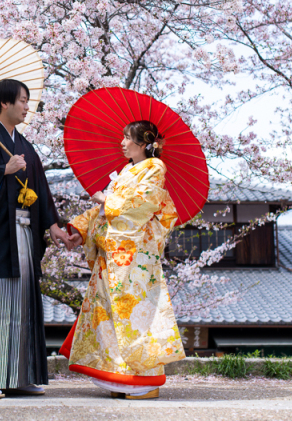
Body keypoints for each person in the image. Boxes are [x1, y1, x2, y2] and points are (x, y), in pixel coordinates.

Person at [0, 78, 73, 399]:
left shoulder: (25, 146)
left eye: (27, 100)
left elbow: (42, 191)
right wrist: (1, 171)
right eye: (22, 100)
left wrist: (53, 226)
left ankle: (21, 375)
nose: (26, 106)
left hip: (24, 234)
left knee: (22, 303)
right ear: (4, 103)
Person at [60, 120, 185, 400]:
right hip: (114, 256)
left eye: (127, 138)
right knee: (112, 316)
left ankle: (143, 382)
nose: (122, 142)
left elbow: (141, 205)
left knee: (135, 317)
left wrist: (108, 199)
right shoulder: (128, 170)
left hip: (136, 257)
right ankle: (120, 378)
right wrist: (80, 229)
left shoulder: (154, 169)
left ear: (143, 144)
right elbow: (104, 211)